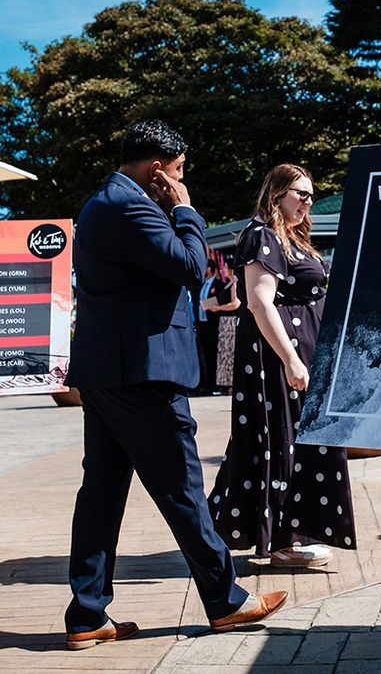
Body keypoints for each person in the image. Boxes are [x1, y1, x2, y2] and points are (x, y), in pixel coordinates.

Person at [64, 120, 287, 650]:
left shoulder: (102, 203)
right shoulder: (131, 205)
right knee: (181, 488)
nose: (183, 179)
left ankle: (87, 614)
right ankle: (225, 600)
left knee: (101, 492)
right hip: (142, 374)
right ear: (159, 170)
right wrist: (185, 208)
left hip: (108, 372)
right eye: (180, 169)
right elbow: (190, 265)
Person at [208, 164, 356, 567]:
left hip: (302, 351)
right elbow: (258, 301)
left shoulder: (287, 237)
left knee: (284, 441)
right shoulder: (262, 236)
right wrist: (290, 358)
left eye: (311, 194)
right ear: (276, 194)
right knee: (280, 440)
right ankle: (283, 539)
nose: (308, 201)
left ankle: (249, 530)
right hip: (280, 355)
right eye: (300, 193)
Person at [207, 258, 240, 392]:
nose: (224, 270)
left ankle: (232, 384)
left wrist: (219, 308)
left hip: (230, 321)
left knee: (230, 353)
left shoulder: (235, 284)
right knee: (224, 354)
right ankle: (226, 384)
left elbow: (235, 304)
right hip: (224, 322)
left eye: (226, 267)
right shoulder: (228, 284)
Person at [194, 259, 224, 394]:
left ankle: (215, 384)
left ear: (210, 269)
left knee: (214, 356)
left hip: (214, 325)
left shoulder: (219, 285)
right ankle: (207, 383)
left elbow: (221, 301)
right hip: (202, 325)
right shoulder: (202, 285)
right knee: (205, 356)